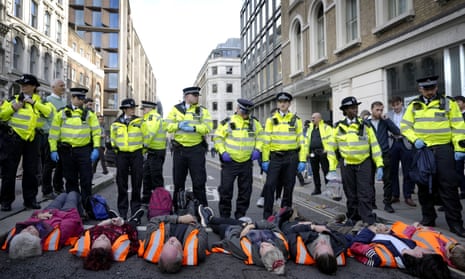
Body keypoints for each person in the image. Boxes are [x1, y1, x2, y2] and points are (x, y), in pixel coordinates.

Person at [400, 75, 465, 238]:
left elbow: (458, 126)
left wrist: (459, 148)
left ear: (436, 87)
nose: (429, 92)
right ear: (420, 89)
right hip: (423, 151)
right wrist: (415, 140)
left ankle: (455, 223)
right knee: (423, 186)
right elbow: (405, 127)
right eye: (426, 89)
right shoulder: (414, 106)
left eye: (432, 88)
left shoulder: (448, 103)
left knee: (449, 187)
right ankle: (428, 218)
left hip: (444, 150)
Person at [327, 96, 384, 225]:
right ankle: (353, 218)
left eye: (356, 107)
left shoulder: (365, 125)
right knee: (351, 194)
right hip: (347, 164)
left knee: (365, 193)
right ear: (345, 110)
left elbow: (374, 146)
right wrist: (332, 168)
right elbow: (331, 149)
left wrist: (379, 164)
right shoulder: (338, 128)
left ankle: (367, 220)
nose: (355, 109)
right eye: (352, 108)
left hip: (364, 163)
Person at [0, 74, 52, 211]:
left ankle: (30, 200)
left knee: (31, 171)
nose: (23, 87)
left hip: (32, 139)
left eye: (26, 85)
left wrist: (33, 103)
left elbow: (48, 112)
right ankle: (6, 201)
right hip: (13, 138)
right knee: (9, 171)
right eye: (22, 85)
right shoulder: (13, 99)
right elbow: (1, 115)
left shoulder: (40, 102)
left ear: (34, 87)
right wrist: (13, 108)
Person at [49, 87, 101, 215]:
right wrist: (53, 149)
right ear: (72, 98)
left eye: (83, 98)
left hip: (84, 151)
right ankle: (74, 210)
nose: (82, 101)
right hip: (66, 151)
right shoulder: (61, 113)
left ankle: (87, 208)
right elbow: (54, 133)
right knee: (70, 181)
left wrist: (96, 148)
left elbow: (96, 132)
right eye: (79, 98)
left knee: (86, 180)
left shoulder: (89, 114)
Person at [199, 205, 288, 275]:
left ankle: (208, 221)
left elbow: (231, 238)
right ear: (276, 248)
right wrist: (252, 226)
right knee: (238, 222)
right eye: (268, 245)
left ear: (261, 258)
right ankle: (210, 218)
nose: (263, 244)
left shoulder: (247, 251)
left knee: (222, 227)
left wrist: (242, 228)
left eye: (262, 248)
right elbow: (272, 226)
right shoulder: (282, 244)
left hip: (232, 233)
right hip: (250, 228)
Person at [214, 98, 263, 219]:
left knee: (245, 192)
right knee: (225, 191)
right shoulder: (227, 122)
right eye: (242, 111)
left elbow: (262, 138)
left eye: (247, 112)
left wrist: (258, 149)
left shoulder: (254, 124)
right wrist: (223, 151)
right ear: (237, 109)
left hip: (246, 163)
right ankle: (224, 217)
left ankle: (240, 216)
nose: (245, 115)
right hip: (230, 162)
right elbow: (218, 138)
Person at [166, 86, 212, 211]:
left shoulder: (202, 111)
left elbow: (208, 127)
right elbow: (167, 126)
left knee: (199, 182)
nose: (197, 97)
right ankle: (178, 209)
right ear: (187, 97)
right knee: (178, 182)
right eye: (195, 95)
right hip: (180, 150)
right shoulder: (175, 110)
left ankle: (202, 209)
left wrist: (194, 128)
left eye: (198, 95)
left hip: (196, 150)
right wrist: (178, 125)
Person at [261, 92, 306, 220]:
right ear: (277, 104)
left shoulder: (296, 120)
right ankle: (267, 215)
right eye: (280, 102)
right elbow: (266, 142)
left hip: (291, 157)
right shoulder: (271, 120)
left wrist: (302, 160)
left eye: (285, 102)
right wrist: (265, 160)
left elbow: (301, 141)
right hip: (275, 157)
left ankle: (284, 216)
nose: (282, 104)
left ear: (289, 103)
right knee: (270, 185)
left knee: (289, 186)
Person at [348, 223, 451, 279]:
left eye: (431, 252)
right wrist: (412, 228)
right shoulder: (412, 247)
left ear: (420, 255)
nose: (431, 249)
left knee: (339, 227)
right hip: (376, 228)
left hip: (354, 234)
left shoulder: (381, 257)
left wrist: (370, 230)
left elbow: (356, 245)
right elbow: (401, 237)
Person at [2, 191, 84, 259]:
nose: (28, 228)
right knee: (73, 194)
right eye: (30, 233)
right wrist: (53, 212)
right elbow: (73, 218)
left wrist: (38, 215)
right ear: (37, 239)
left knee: (63, 195)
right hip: (65, 213)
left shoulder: (19, 235)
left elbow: (32, 216)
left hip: (48, 212)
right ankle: (82, 213)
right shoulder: (56, 236)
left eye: (24, 231)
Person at [278, 210, 348, 275]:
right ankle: (333, 222)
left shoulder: (296, 248)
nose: (323, 241)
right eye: (327, 245)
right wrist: (325, 228)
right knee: (344, 229)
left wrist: (312, 227)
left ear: (315, 256)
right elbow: (340, 236)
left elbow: (287, 231)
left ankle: (297, 216)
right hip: (321, 226)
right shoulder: (340, 249)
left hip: (299, 224)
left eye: (320, 245)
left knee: (291, 211)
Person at [70, 210, 143, 271]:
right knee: (132, 225)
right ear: (110, 249)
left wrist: (100, 224)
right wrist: (123, 224)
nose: (102, 236)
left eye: (98, 239)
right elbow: (134, 241)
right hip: (122, 228)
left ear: (92, 246)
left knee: (113, 219)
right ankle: (135, 219)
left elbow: (86, 232)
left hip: (107, 225)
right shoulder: (120, 250)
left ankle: (114, 218)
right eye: (105, 240)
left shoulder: (90, 241)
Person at [109, 98, 144, 220]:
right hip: (122, 155)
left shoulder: (140, 121)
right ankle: (122, 211)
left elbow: (146, 136)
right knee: (121, 183)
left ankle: (135, 210)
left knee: (137, 183)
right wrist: (116, 149)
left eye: (134, 108)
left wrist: (142, 150)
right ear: (124, 109)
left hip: (137, 154)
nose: (133, 110)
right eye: (130, 108)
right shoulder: (116, 124)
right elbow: (113, 139)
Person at [140, 213, 208, 273]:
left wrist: (179, 219)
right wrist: (193, 220)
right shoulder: (198, 250)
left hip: (171, 216)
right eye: (172, 244)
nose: (171, 240)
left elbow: (154, 220)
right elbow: (202, 230)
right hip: (191, 220)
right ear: (182, 254)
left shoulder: (151, 241)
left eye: (166, 244)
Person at [367, 101, 401, 213]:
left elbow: (397, 132)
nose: (379, 112)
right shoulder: (365, 122)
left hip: (384, 154)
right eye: (377, 110)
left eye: (381, 110)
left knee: (388, 180)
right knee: (369, 181)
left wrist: (387, 119)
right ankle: (372, 203)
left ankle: (387, 203)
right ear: (372, 110)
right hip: (370, 155)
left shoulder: (384, 121)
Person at [391, 220, 465, 271]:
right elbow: (435, 235)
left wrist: (413, 227)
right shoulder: (452, 247)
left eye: (451, 248)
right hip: (416, 229)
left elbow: (404, 241)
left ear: (449, 256)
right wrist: (427, 229)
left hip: (398, 231)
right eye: (456, 244)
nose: (451, 244)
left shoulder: (431, 252)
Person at [387, 96, 416, 207]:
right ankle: (395, 195)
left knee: (407, 171)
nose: (395, 107)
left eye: (397, 104)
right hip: (393, 143)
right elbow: (385, 128)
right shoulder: (388, 115)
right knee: (393, 171)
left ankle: (408, 196)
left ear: (401, 103)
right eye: (393, 105)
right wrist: (391, 134)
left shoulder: (408, 113)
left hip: (405, 143)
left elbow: (412, 126)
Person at [41, 79, 67, 198]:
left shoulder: (64, 102)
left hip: (62, 138)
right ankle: (46, 190)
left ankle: (58, 186)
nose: (63, 87)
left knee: (61, 163)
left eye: (64, 86)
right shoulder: (47, 101)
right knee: (49, 164)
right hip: (51, 138)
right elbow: (42, 120)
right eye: (61, 86)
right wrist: (49, 132)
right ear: (53, 87)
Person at [140, 100, 166, 204]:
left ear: (150, 108)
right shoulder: (148, 118)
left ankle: (160, 201)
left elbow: (150, 133)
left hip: (156, 151)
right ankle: (147, 199)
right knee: (147, 176)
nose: (143, 111)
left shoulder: (153, 117)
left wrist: (143, 146)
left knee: (156, 177)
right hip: (151, 151)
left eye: (144, 109)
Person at [306, 112, 332, 196]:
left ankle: (329, 189)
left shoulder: (326, 127)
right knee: (315, 171)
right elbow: (307, 141)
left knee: (326, 171)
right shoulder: (310, 128)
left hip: (323, 152)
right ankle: (317, 189)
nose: (312, 119)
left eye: (314, 117)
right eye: (312, 117)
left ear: (319, 118)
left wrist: (327, 150)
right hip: (313, 153)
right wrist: (307, 152)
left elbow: (331, 140)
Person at [453, 95, 465, 199]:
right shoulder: (454, 116)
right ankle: (463, 190)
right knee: (458, 171)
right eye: (455, 102)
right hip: (458, 148)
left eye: (459, 102)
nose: (457, 104)